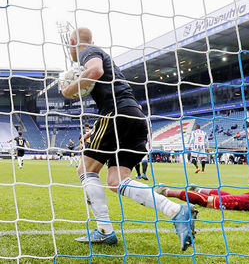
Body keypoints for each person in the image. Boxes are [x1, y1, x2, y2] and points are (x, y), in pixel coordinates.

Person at [59, 27, 197, 251]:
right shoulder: (105, 59)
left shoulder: (88, 52)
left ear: (74, 41)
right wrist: (96, 129)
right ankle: (176, 211)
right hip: (134, 118)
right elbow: (114, 96)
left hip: (117, 116)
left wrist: (68, 91)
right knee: (116, 182)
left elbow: (94, 72)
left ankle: (104, 230)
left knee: (86, 170)